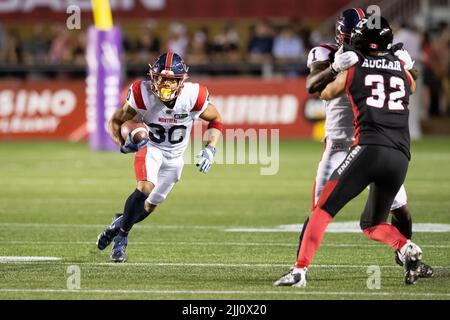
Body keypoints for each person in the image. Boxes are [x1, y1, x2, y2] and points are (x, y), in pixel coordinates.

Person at [274, 16, 427, 287]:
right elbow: (410, 84)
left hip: (365, 147)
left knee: (393, 209)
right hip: (364, 148)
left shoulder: (357, 65)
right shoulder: (332, 54)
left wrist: (340, 70)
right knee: (336, 214)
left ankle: (301, 270)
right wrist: (406, 66)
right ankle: (405, 248)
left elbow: (321, 92)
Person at [96, 52, 223, 262]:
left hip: (175, 157)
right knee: (145, 187)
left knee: (149, 206)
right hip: (151, 147)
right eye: (162, 79)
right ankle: (121, 239)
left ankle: (117, 225)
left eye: (171, 81)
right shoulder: (142, 93)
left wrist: (211, 148)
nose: (165, 85)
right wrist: (123, 144)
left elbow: (216, 119)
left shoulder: (194, 95)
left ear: (181, 82)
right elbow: (116, 121)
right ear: (153, 77)